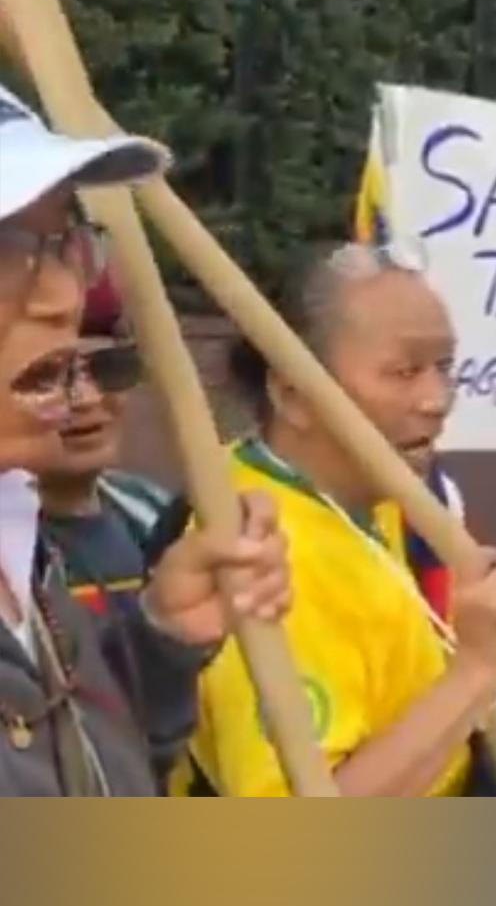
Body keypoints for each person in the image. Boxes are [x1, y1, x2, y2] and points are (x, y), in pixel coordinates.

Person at [171, 242, 496, 797]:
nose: (437, 399)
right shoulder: (257, 553)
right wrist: (476, 671)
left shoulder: (386, 494)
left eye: (444, 367)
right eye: (403, 371)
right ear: (293, 393)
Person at [0, 82, 291, 796]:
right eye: (4, 249)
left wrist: (160, 644)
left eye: (64, 241)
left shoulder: (18, 539)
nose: (63, 294)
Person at [38, 273, 173, 617]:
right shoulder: (11, 554)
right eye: (49, 376)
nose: (86, 398)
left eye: (110, 369)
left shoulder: (156, 513)